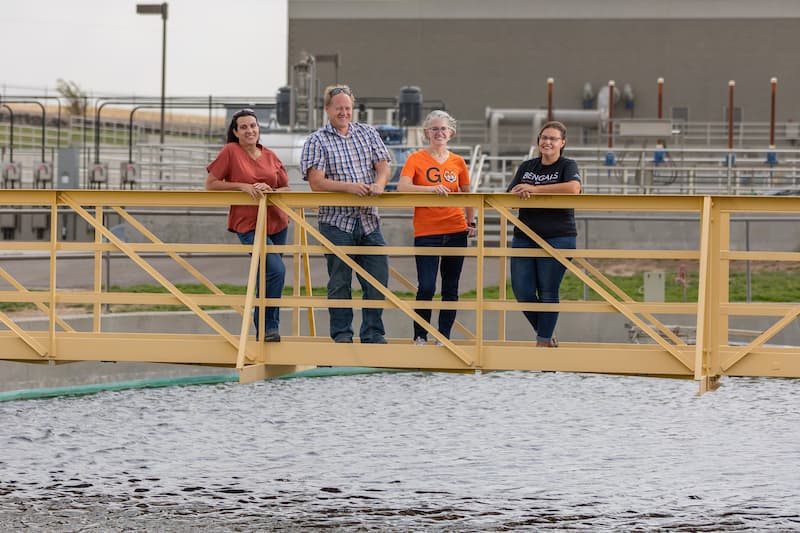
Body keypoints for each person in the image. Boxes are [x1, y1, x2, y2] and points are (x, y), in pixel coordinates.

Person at [300, 85, 392, 344]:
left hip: (369, 220)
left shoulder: (368, 132)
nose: (344, 112)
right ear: (328, 109)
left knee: (377, 278)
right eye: (338, 108)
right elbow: (316, 183)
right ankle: (342, 336)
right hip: (337, 222)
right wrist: (349, 188)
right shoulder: (316, 140)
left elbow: (383, 165)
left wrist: (380, 185)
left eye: (348, 108)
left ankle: (373, 334)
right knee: (340, 281)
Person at [206, 108, 290, 342]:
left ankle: (266, 330)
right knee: (276, 269)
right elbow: (211, 184)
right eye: (243, 127)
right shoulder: (230, 151)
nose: (249, 130)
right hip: (248, 223)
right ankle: (267, 327)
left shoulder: (271, 155)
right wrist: (241, 186)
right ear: (235, 132)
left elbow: (286, 188)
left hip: (277, 222)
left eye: (253, 125)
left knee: (269, 275)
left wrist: (270, 189)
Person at [397, 110, 475, 345]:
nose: (439, 133)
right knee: (427, 286)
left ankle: (443, 336)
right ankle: (420, 335)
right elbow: (402, 187)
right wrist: (430, 189)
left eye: (443, 129)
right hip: (427, 231)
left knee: (451, 286)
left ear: (451, 132)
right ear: (426, 133)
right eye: (434, 129)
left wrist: (471, 222)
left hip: (455, 229)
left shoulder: (458, 161)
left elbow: (467, 194)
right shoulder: (416, 159)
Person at [507, 121, 581, 347]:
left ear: (562, 143)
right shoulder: (527, 166)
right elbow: (510, 193)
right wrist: (518, 193)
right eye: (544, 138)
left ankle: (542, 344)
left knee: (548, 290)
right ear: (538, 141)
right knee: (523, 292)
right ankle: (547, 334)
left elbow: (573, 189)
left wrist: (535, 189)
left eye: (553, 139)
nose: (547, 142)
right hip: (525, 235)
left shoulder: (567, 165)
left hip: (558, 236)